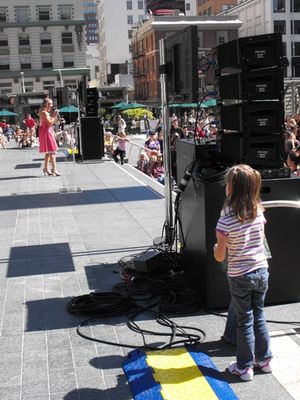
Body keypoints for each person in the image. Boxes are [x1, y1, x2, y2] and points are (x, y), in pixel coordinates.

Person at [214, 164, 272, 382]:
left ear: (230, 189)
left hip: (240, 275)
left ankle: (243, 367)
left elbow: (220, 256)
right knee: (259, 315)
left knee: (244, 320)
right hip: (262, 271)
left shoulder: (226, 219)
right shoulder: (259, 212)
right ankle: (264, 360)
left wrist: (215, 249)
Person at [38, 97, 60, 176]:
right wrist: (54, 115)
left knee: (48, 152)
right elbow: (50, 123)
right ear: (45, 104)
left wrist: (54, 116)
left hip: (47, 132)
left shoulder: (44, 112)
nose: (51, 106)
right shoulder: (44, 112)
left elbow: (52, 122)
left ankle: (46, 168)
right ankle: (54, 169)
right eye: (50, 104)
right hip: (46, 133)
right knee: (52, 151)